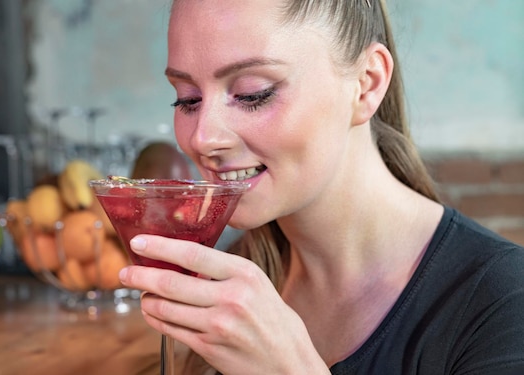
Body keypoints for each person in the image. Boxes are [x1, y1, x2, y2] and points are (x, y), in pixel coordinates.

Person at [117, 0, 524, 374]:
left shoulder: (505, 302)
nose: (203, 138)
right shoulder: (229, 285)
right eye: (187, 99)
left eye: (251, 94)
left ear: (366, 83)